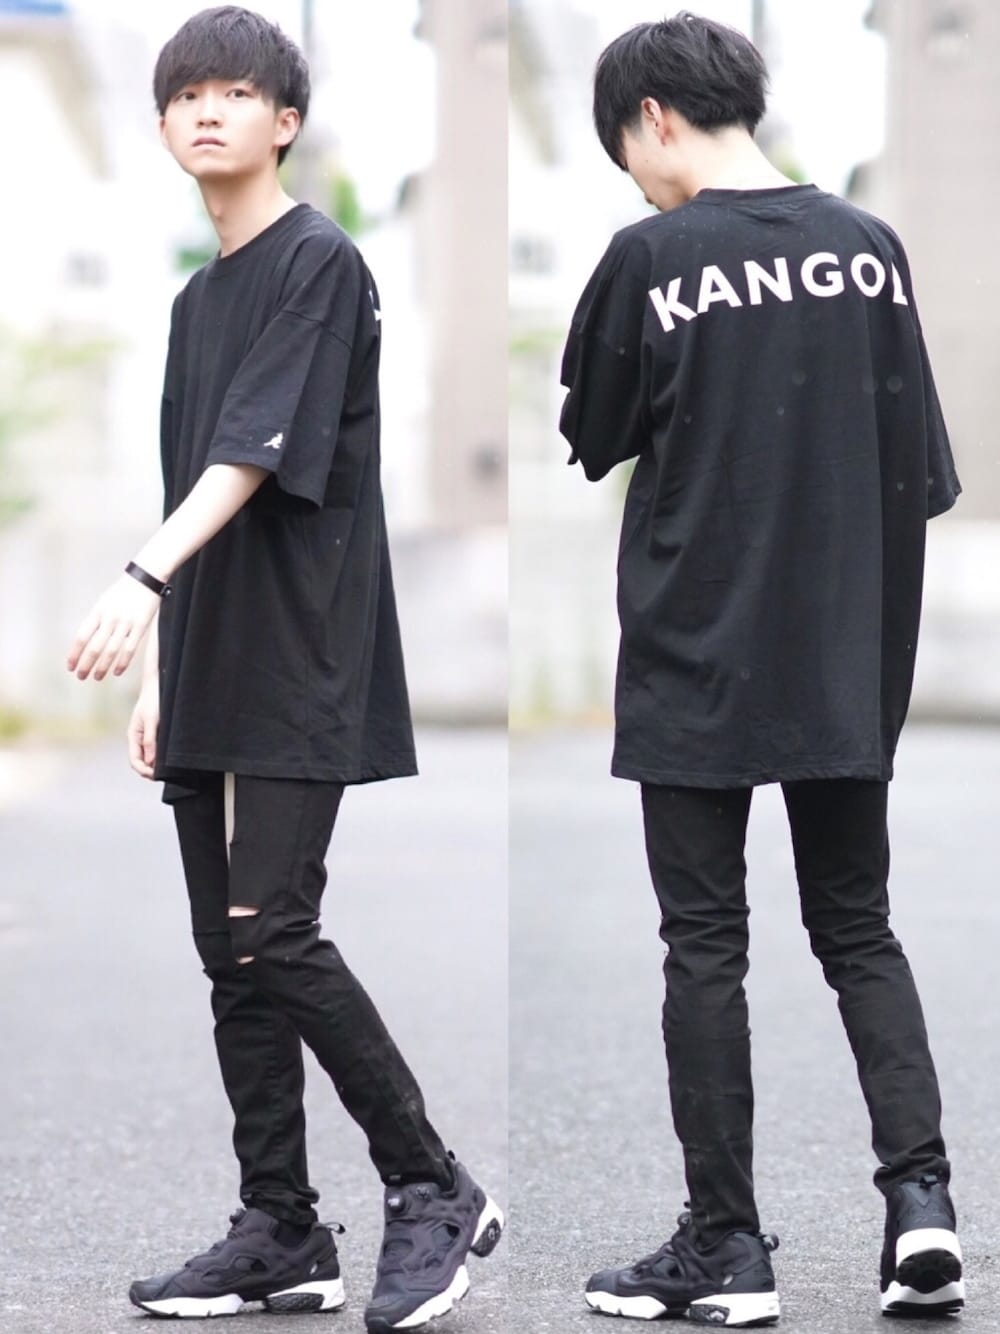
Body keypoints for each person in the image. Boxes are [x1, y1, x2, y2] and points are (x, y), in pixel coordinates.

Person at [66, 8, 502, 1329]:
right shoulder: (194, 301)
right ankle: (282, 1227)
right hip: (210, 646)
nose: (208, 111)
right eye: (184, 96)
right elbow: (194, 480)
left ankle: (432, 1184)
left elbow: (253, 457)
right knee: (228, 954)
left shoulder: (321, 261)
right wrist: (164, 667)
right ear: (161, 126)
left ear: (285, 120)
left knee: (278, 931)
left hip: (300, 643)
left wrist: (141, 580)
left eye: (235, 93)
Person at [559, 12, 963, 1327]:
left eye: (626, 151)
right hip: (845, 653)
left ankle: (727, 1248)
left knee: (705, 946)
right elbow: (925, 472)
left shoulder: (651, 257)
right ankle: (922, 1207)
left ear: (654, 117)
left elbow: (595, 430)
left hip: (696, 649)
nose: (636, 180)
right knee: (857, 926)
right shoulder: (870, 249)